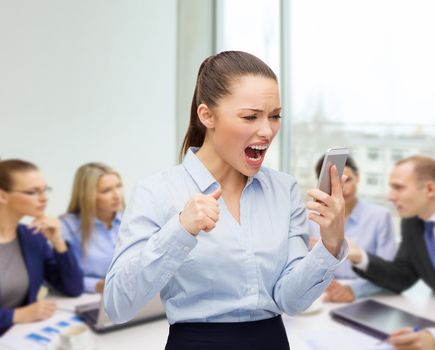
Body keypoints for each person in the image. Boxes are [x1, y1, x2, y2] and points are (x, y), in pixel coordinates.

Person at [104, 51, 348, 350]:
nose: (267, 130)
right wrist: (180, 230)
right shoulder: (157, 192)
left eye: (274, 116)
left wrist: (331, 243)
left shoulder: (284, 190)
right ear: (206, 115)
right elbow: (117, 305)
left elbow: (291, 300)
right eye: (250, 116)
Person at [349, 156, 435, 350]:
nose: (390, 196)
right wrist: (360, 257)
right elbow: (404, 276)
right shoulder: (412, 223)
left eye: (398, 187)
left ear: (430, 189)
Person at [0, 160, 83, 335]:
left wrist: (58, 242)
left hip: (16, 337)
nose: (44, 198)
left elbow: (73, 288)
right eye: (32, 192)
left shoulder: (32, 237)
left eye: (44, 190)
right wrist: (14, 315)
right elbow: (19, 315)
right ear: (2, 196)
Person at [308, 155, 396, 302]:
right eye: (333, 182)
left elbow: (389, 272)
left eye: (347, 180)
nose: (342, 188)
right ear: (322, 185)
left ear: (358, 177)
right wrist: (325, 285)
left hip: (367, 295)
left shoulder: (380, 217)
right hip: (322, 296)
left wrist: (355, 290)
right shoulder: (310, 218)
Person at [60, 163, 124, 294]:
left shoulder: (131, 220)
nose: (117, 195)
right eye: (106, 190)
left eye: (118, 186)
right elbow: (60, 277)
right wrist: (97, 285)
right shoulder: (66, 227)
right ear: (87, 195)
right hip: (88, 298)